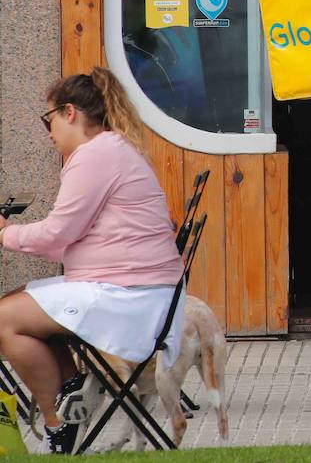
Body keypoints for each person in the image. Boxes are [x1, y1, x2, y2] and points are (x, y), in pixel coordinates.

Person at [0, 69, 186, 455]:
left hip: (131, 298)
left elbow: (57, 233)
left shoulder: (94, 155)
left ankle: (59, 426)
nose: (48, 132)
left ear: (69, 113)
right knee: (19, 304)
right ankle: (71, 393)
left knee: (4, 318)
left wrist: (5, 234)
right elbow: (68, 239)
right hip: (136, 289)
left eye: (48, 119)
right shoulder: (111, 148)